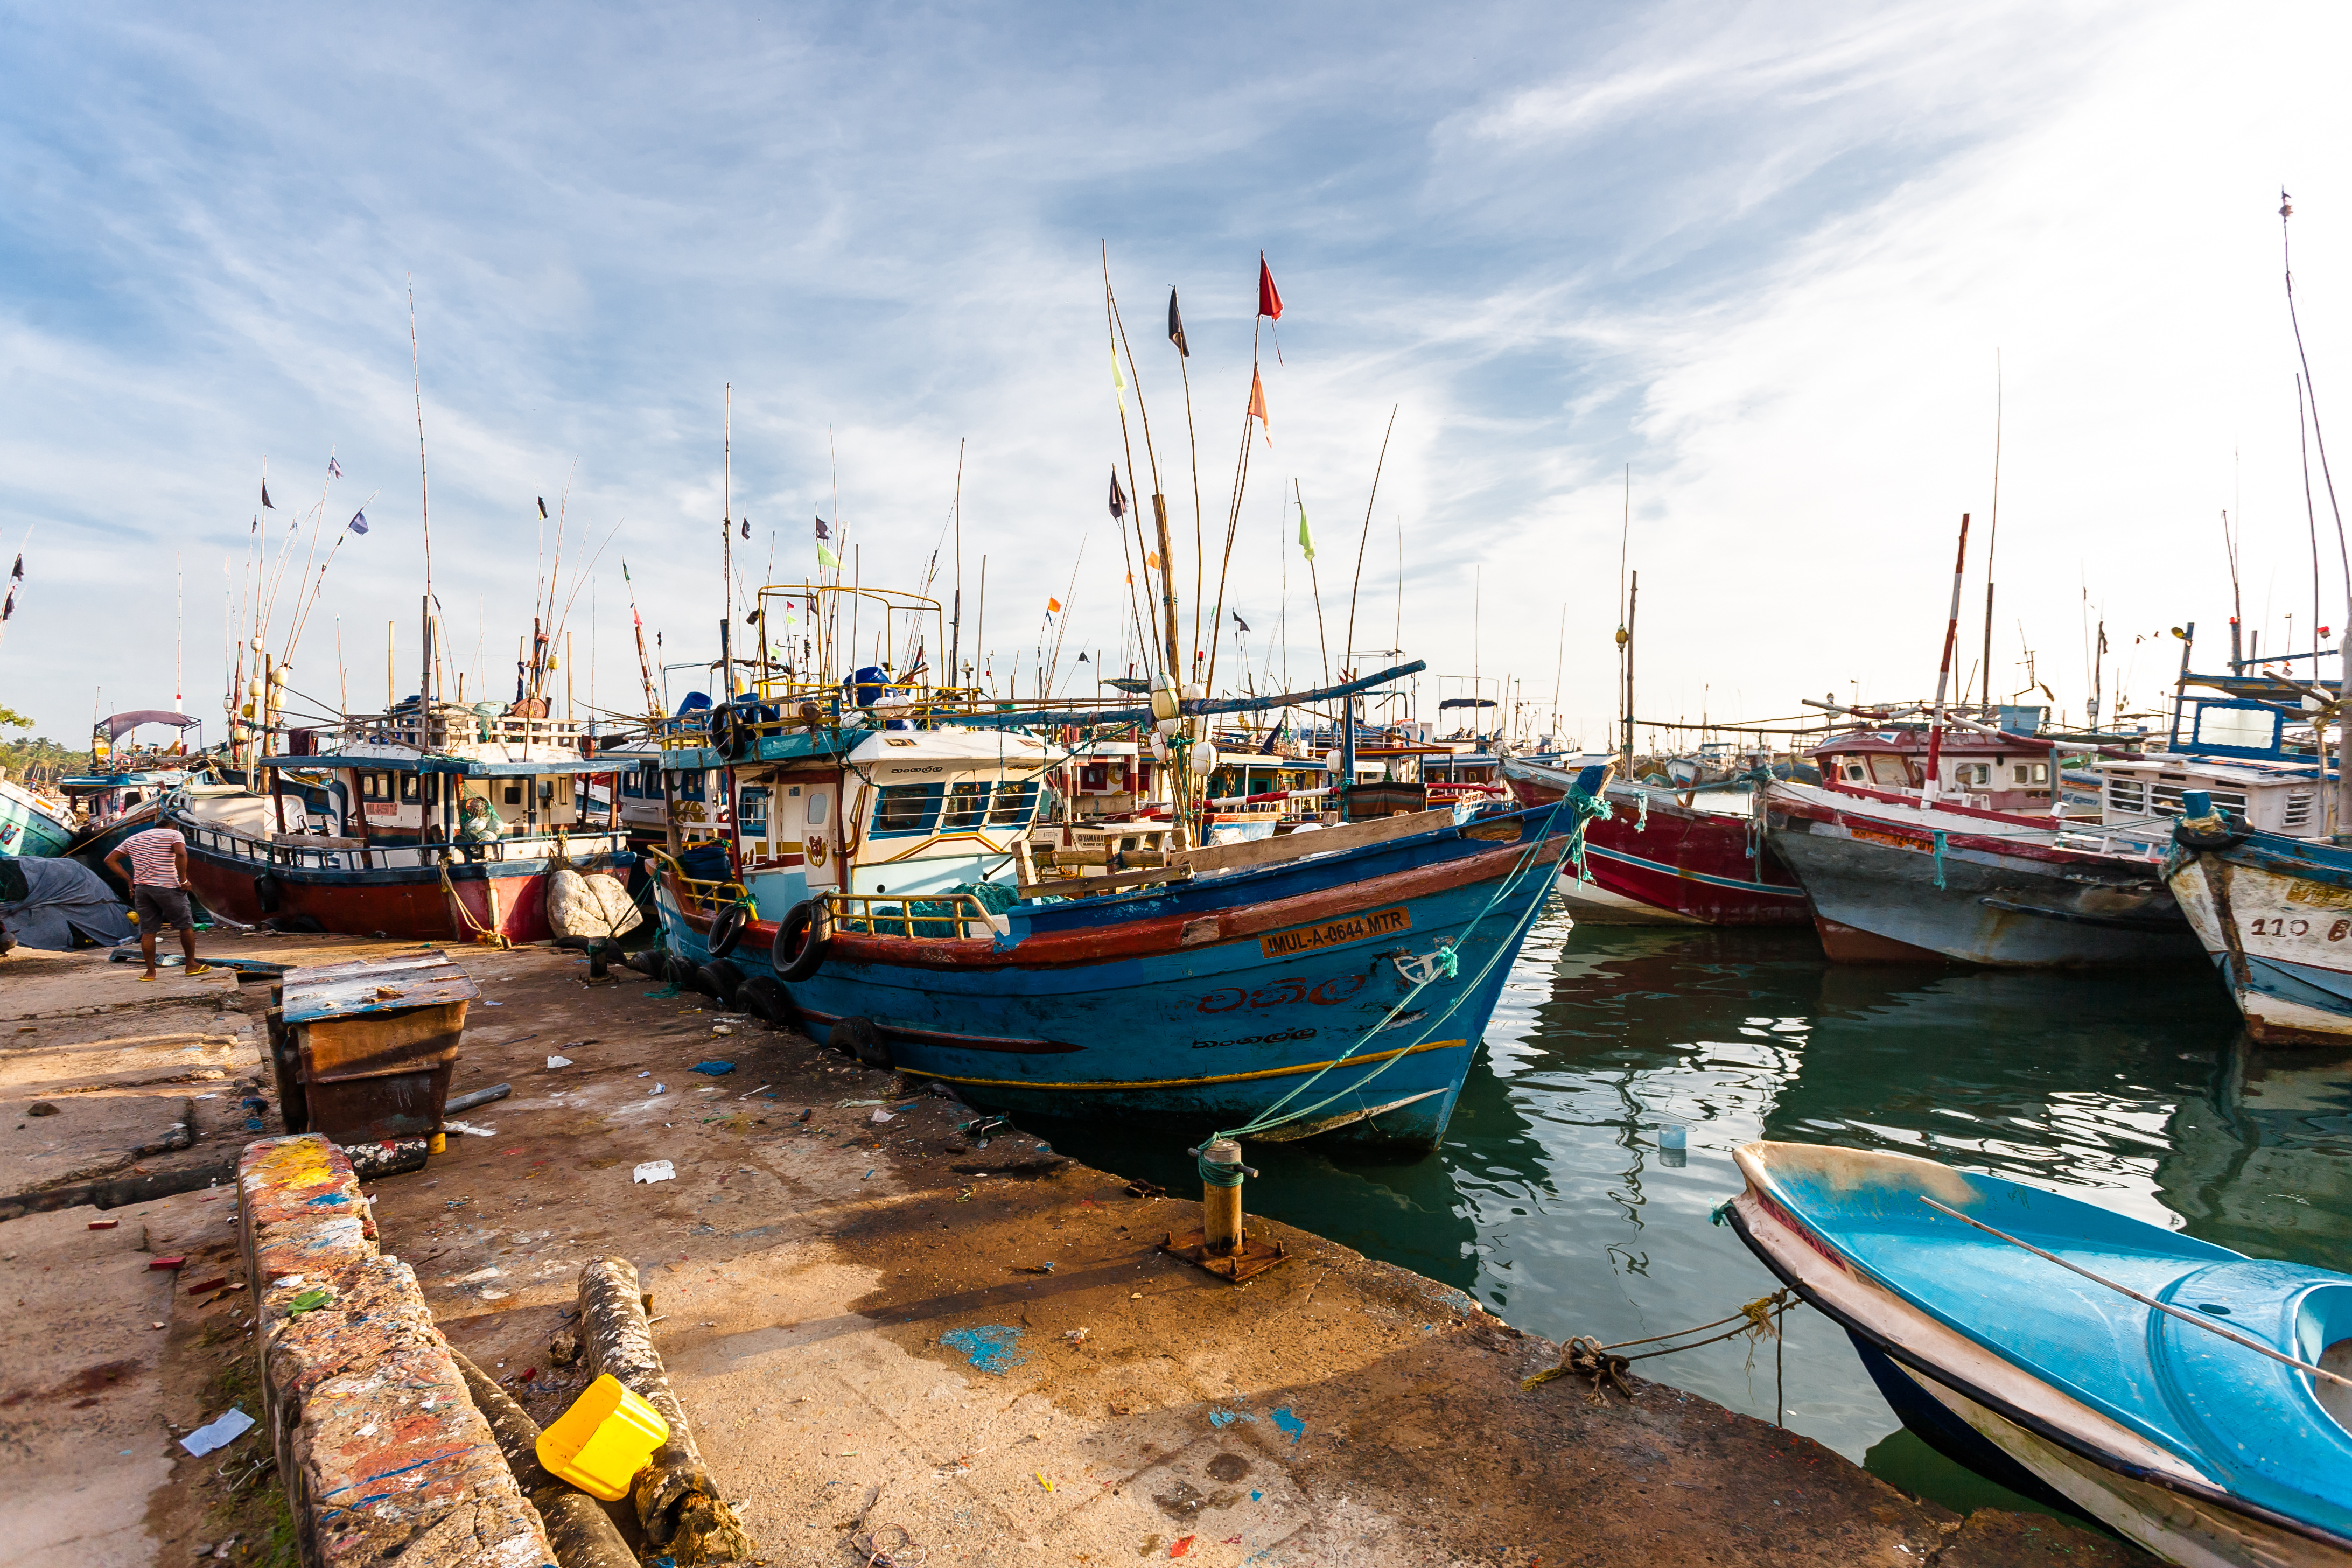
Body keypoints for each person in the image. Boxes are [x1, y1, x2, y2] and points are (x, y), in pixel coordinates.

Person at [104, 824, 212, 981]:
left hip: (142, 890)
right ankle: (191, 965)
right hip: (168, 887)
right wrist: (183, 880)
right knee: (185, 926)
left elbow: (110, 860)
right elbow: (181, 854)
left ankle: (150, 973)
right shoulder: (174, 834)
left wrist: (129, 880)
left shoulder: (133, 839)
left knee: (148, 931)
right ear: (173, 826)